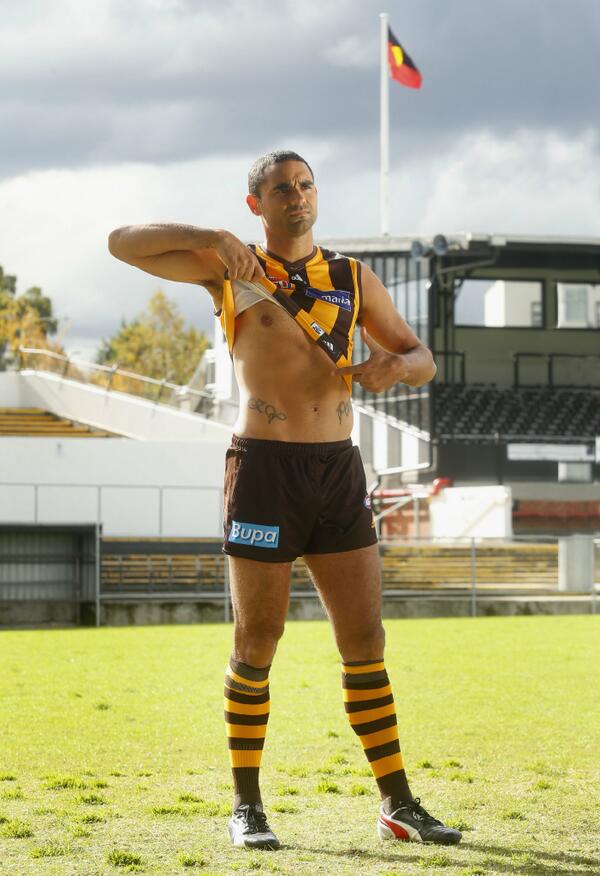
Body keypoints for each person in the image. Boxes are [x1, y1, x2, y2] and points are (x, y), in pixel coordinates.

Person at [108, 150, 462, 850]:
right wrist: (212, 236)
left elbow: (419, 354)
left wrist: (399, 367)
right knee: (257, 642)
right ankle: (247, 807)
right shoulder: (230, 269)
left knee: (365, 641)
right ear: (256, 205)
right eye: (280, 189)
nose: (296, 197)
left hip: (338, 470)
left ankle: (398, 803)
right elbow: (121, 244)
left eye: (305, 186)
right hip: (265, 471)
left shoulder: (353, 276)